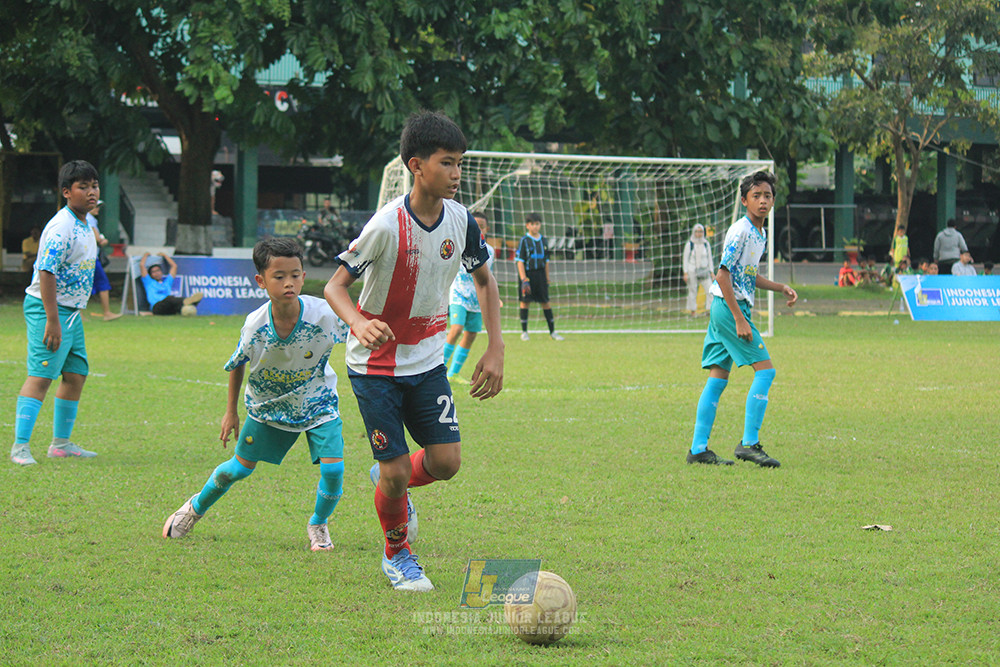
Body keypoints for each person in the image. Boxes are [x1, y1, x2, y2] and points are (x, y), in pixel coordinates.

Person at [324, 110, 504, 592]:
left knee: (446, 463)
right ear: (416, 165)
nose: (457, 174)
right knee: (399, 469)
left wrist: (496, 347)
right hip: (375, 368)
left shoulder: (462, 221)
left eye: (460, 163)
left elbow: (485, 282)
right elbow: (335, 287)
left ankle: (389, 480)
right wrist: (359, 322)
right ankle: (398, 554)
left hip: (427, 362)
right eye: (448, 163)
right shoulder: (386, 225)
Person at [163, 238, 350, 551]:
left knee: (334, 469)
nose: (289, 283)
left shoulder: (326, 314)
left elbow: (358, 333)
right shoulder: (255, 326)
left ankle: (318, 524)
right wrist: (231, 411)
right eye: (279, 277)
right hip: (269, 408)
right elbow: (237, 364)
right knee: (238, 469)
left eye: (295, 274)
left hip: (318, 403)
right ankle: (194, 508)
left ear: (304, 276)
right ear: (261, 281)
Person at [686, 170, 798, 467]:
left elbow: (747, 275)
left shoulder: (760, 233)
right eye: (757, 195)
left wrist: (779, 287)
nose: (763, 201)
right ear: (745, 199)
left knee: (718, 377)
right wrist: (739, 319)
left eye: (768, 196)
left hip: (726, 306)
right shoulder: (741, 231)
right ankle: (749, 443)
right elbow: (723, 275)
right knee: (766, 372)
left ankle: (698, 449)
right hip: (728, 308)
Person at [10, 160, 101, 466]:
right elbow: (46, 272)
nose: (91, 192)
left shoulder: (85, 224)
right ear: (66, 192)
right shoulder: (62, 226)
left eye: (94, 186)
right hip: (50, 310)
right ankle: (20, 448)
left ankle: (61, 444)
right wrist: (52, 320)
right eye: (82, 187)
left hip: (71, 314)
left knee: (75, 375)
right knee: (41, 376)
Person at [443, 211, 496, 382]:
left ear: (487, 229)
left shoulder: (490, 251)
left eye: (482, 227)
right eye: (476, 226)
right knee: (456, 329)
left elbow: (488, 277)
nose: (479, 229)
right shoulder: (459, 244)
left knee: (471, 333)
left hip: (476, 299)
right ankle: (438, 371)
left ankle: (453, 374)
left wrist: (495, 296)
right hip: (458, 294)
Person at [516, 212, 564, 341]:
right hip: (528, 275)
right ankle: (524, 332)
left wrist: (547, 278)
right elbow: (520, 261)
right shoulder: (524, 241)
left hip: (540, 274)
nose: (535, 226)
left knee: (546, 302)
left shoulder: (543, 240)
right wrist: (523, 279)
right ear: (527, 225)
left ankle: (553, 332)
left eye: (537, 224)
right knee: (525, 303)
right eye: (532, 224)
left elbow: (547, 261)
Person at [86, 201, 122, 321]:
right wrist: (102, 240)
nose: (98, 209)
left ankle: (78, 315)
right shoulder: (89, 219)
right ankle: (106, 312)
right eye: (96, 206)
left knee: (82, 285)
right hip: (91, 258)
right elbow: (97, 239)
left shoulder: (86, 218)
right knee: (103, 284)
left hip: (88, 257)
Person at [683, 223, 714, 314]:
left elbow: (709, 258)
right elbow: (685, 259)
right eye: (697, 232)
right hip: (692, 269)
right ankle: (692, 311)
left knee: (710, 289)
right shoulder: (690, 244)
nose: (699, 234)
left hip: (704, 270)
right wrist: (685, 272)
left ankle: (709, 310)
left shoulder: (706, 244)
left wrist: (711, 271)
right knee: (692, 290)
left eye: (700, 232)